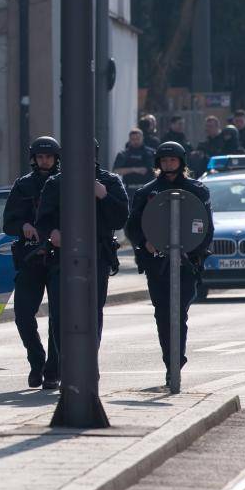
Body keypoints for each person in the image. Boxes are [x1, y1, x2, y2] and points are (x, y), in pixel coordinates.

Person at [125, 142, 213, 386]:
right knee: (163, 314)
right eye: (164, 161)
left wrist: (195, 251)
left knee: (179, 313)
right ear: (158, 164)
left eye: (173, 161)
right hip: (157, 265)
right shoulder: (146, 192)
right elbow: (132, 227)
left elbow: (206, 228)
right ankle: (170, 362)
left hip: (187, 263)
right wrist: (146, 243)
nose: (168, 165)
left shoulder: (198, 191)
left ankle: (177, 360)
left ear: (181, 163)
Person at [34, 145, 129, 346]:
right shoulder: (55, 183)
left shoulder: (109, 182)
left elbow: (120, 219)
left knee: (92, 313)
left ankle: (89, 366)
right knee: (60, 314)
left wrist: (104, 196)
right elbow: (42, 221)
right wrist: (52, 233)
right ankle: (64, 366)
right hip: (62, 257)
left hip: (97, 256)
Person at [2, 136, 61, 389]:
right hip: (30, 258)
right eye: (40, 157)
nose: (44, 160)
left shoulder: (65, 184)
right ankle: (36, 362)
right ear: (34, 159)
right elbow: (8, 223)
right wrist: (23, 225)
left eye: (48, 156)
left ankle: (52, 370)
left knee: (59, 319)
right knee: (23, 315)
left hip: (60, 259)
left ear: (56, 158)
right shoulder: (23, 186)